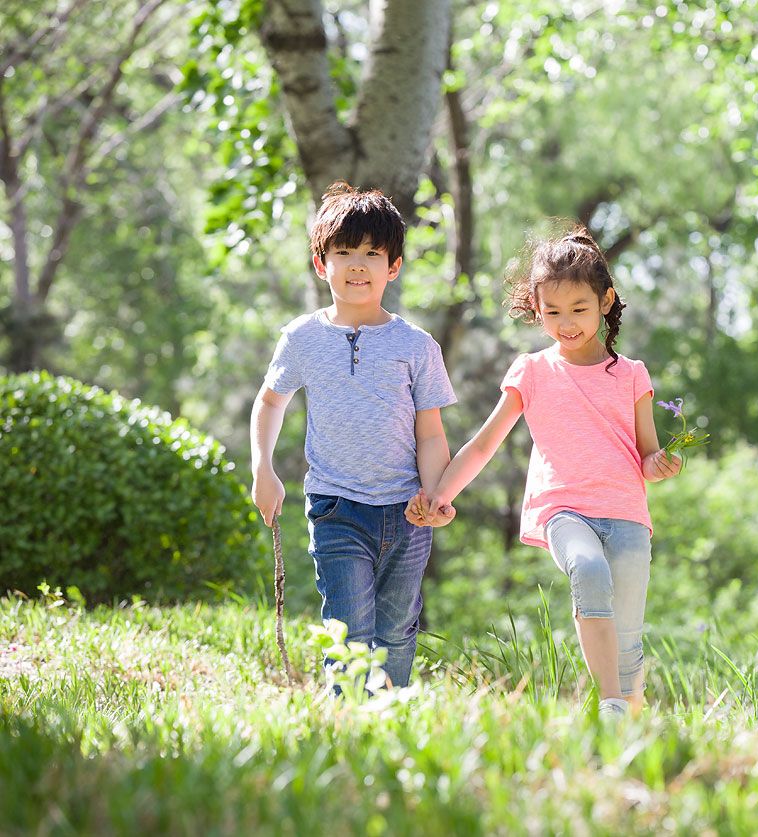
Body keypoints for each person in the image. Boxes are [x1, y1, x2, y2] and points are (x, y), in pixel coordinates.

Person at [408, 223, 683, 717]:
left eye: (578, 309)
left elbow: (647, 455)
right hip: (564, 508)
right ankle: (610, 703)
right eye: (551, 311)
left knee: (627, 634)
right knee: (587, 569)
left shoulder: (631, 374)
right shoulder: (532, 371)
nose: (566, 322)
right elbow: (483, 445)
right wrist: (441, 493)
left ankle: (630, 722)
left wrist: (660, 465)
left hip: (625, 511)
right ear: (536, 308)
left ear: (605, 301)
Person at [249, 181, 456, 689]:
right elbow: (270, 400)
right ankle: (345, 723)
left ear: (395, 267)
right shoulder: (302, 337)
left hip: (407, 513)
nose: (358, 265)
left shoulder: (416, 345)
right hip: (335, 506)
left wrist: (435, 493)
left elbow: (430, 434)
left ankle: (391, 719)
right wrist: (263, 469)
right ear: (322, 264)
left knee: (397, 630)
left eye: (372, 253)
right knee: (348, 630)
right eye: (344, 252)